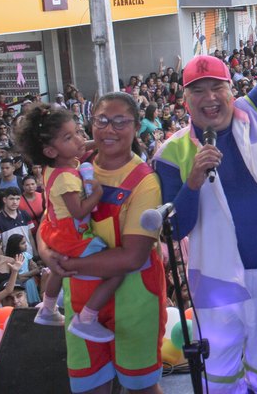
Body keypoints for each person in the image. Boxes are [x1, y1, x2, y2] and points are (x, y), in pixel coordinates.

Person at [155, 0, 257, 394]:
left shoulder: (254, 111)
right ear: (185, 101)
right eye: (198, 91)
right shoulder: (169, 152)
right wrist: (193, 182)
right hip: (214, 280)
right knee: (221, 375)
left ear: (232, 90)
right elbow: (174, 229)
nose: (209, 97)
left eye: (217, 87)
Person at [39, 92, 165, 394]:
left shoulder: (144, 181)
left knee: (142, 387)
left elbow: (132, 258)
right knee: (90, 387)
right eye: (102, 121)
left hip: (134, 299)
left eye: (120, 122)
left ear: (137, 127)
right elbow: (49, 221)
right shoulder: (72, 166)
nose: (110, 129)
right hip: (80, 297)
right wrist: (46, 254)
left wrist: (67, 264)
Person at [15, 104, 120, 341]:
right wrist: (97, 194)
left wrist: (95, 142)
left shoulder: (53, 167)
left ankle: (48, 307)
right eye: (69, 137)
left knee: (57, 269)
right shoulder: (66, 178)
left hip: (56, 230)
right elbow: (79, 210)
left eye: (78, 132)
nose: (79, 140)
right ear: (51, 150)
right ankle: (87, 318)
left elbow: (80, 148)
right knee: (116, 269)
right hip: (72, 234)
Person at [0, 186, 36, 256]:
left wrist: (35, 253)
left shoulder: (24, 214)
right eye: (11, 199)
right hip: (10, 260)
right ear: (4, 200)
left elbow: (30, 237)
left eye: (17, 199)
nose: (15, 202)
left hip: (29, 256)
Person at [4, 233, 40, 305]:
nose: (26, 244)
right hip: (20, 286)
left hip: (30, 284)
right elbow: (17, 279)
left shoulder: (26, 255)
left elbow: (36, 270)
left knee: (34, 304)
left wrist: (23, 276)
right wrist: (30, 274)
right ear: (15, 245)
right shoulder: (10, 260)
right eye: (23, 243)